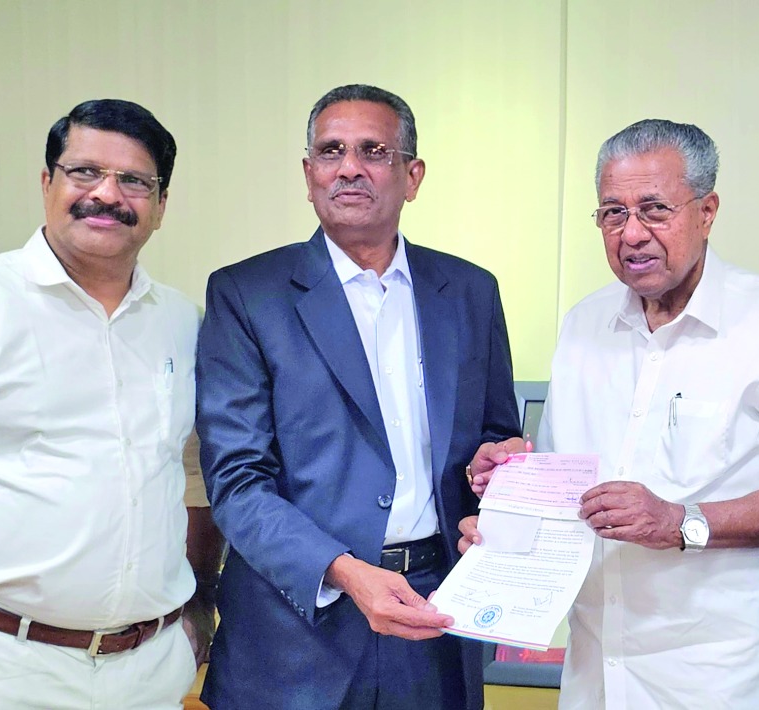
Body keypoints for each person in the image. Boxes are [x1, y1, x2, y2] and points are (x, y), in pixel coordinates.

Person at [463, 119, 759, 708]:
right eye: (612, 213)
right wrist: (508, 495)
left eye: (654, 209)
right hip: (597, 667)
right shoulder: (584, 326)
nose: (631, 233)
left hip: (725, 673)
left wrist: (680, 521)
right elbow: (571, 488)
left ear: (707, 210)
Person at [195, 84, 522, 710]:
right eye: (330, 151)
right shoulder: (248, 294)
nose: (349, 167)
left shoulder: (470, 291)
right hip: (295, 629)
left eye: (374, 150)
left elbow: (493, 436)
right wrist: (346, 572)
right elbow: (237, 481)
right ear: (308, 173)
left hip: (435, 613)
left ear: (412, 175)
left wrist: (493, 469)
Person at [0, 99, 219, 709]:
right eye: (85, 171)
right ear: (47, 183)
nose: (107, 194)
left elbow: (193, 478)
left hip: (155, 669)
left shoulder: (181, 322)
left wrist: (198, 607)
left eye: (135, 180)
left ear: (160, 206)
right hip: (2, 669)